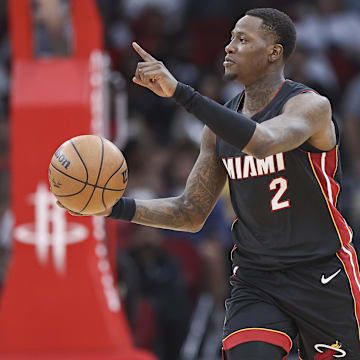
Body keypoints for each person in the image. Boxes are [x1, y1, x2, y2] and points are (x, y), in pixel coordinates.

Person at [59, 8, 360, 360]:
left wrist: (180, 94)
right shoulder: (217, 129)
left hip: (321, 273)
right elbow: (190, 212)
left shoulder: (310, 107)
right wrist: (113, 207)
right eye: (230, 38)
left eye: (243, 39)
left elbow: (262, 142)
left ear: (274, 52)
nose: (229, 47)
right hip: (256, 278)